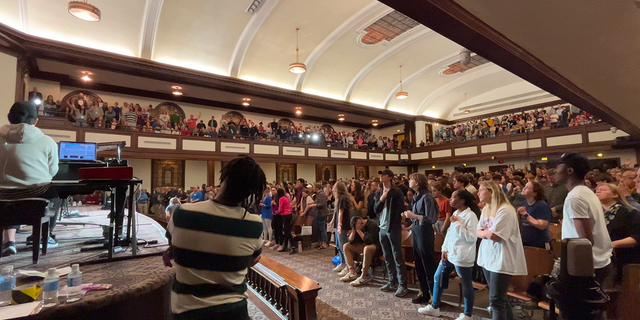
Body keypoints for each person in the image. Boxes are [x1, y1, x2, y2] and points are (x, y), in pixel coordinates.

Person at [163, 156, 266, 320]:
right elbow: (249, 261)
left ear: (223, 178)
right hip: (234, 311)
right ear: (251, 192)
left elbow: (173, 245)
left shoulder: (183, 213)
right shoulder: (253, 225)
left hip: (186, 311)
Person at [1, 101, 59, 256]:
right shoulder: (47, 141)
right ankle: (39, 237)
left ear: (9, 118)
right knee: (55, 195)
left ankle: (9, 241)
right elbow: (52, 171)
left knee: (8, 195)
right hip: (34, 202)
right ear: (35, 121)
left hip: (2, 201)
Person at [418, 190, 480, 320]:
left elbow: (471, 237)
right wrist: (444, 249)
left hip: (462, 255)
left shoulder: (471, 216)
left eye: (453, 197)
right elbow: (450, 234)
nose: (450, 199)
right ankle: (434, 306)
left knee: (466, 283)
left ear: (462, 200)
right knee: (438, 276)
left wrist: (457, 223)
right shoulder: (456, 213)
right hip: (450, 253)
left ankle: (467, 314)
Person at [555, 152, 613, 284]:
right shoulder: (586, 192)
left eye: (558, 167)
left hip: (586, 266)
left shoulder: (575, 197)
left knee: (574, 305)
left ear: (569, 170)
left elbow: (585, 241)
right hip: (598, 262)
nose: (555, 172)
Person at [476, 181, 527, 320]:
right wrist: (486, 233)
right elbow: (477, 231)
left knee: (496, 300)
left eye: (481, 190)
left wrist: (484, 233)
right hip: (488, 257)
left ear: (491, 191)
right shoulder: (487, 208)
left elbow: (496, 236)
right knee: (500, 299)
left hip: (502, 258)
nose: (478, 193)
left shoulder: (505, 210)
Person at [403, 173, 439, 303]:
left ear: (417, 182)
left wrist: (413, 216)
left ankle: (433, 295)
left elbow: (431, 219)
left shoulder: (427, 198)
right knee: (418, 263)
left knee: (427, 264)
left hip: (425, 232)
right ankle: (423, 292)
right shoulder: (417, 196)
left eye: (411, 179)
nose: (409, 181)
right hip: (417, 231)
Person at [595, 183, 640, 284]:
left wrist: (611, 244)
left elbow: (636, 237)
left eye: (603, 189)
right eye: (597, 190)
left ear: (615, 195)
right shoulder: (595, 213)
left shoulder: (629, 212)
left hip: (622, 259)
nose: (598, 191)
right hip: (600, 259)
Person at [374, 169, 408, 297]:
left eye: (383, 175)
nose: (381, 176)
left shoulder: (396, 192)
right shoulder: (379, 192)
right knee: (387, 257)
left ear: (389, 177)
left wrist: (394, 225)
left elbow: (400, 209)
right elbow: (376, 210)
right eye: (380, 174)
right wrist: (382, 199)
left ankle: (402, 285)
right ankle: (392, 281)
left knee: (397, 256)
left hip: (392, 227)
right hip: (381, 227)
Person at [341, 216, 380, 286]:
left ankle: (363, 276)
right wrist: (354, 231)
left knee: (367, 248)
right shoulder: (358, 227)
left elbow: (369, 241)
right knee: (346, 246)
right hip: (365, 245)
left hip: (376, 246)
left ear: (362, 223)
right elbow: (350, 241)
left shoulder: (372, 225)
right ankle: (352, 272)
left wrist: (359, 230)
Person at [517, 181, 552, 248]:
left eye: (527, 187)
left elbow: (542, 226)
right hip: (525, 241)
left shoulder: (542, 205)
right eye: (525, 186)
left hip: (539, 244)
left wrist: (525, 214)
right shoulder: (523, 204)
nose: (523, 188)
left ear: (534, 193)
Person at [331, 182, 354, 276]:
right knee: (338, 245)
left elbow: (341, 212)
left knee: (343, 245)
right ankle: (342, 263)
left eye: (334, 187)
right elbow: (336, 212)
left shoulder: (342, 198)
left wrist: (339, 224)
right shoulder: (338, 199)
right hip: (338, 224)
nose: (332, 189)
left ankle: (348, 266)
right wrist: (333, 221)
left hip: (343, 225)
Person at [275, 187, 292, 252]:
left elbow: (281, 209)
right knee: (286, 230)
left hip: (285, 215)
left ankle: (292, 244)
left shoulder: (281, 199)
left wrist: (277, 212)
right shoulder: (286, 198)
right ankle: (286, 245)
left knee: (286, 231)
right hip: (289, 214)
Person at [313, 183, 329, 250]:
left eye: (314, 187)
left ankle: (324, 243)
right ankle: (320, 242)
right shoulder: (318, 194)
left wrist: (314, 205)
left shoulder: (321, 194)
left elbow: (322, 204)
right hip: (319, 213)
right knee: (319, 229)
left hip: (322, 213)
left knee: (322, 229)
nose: (313, 188)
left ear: (317, 187)